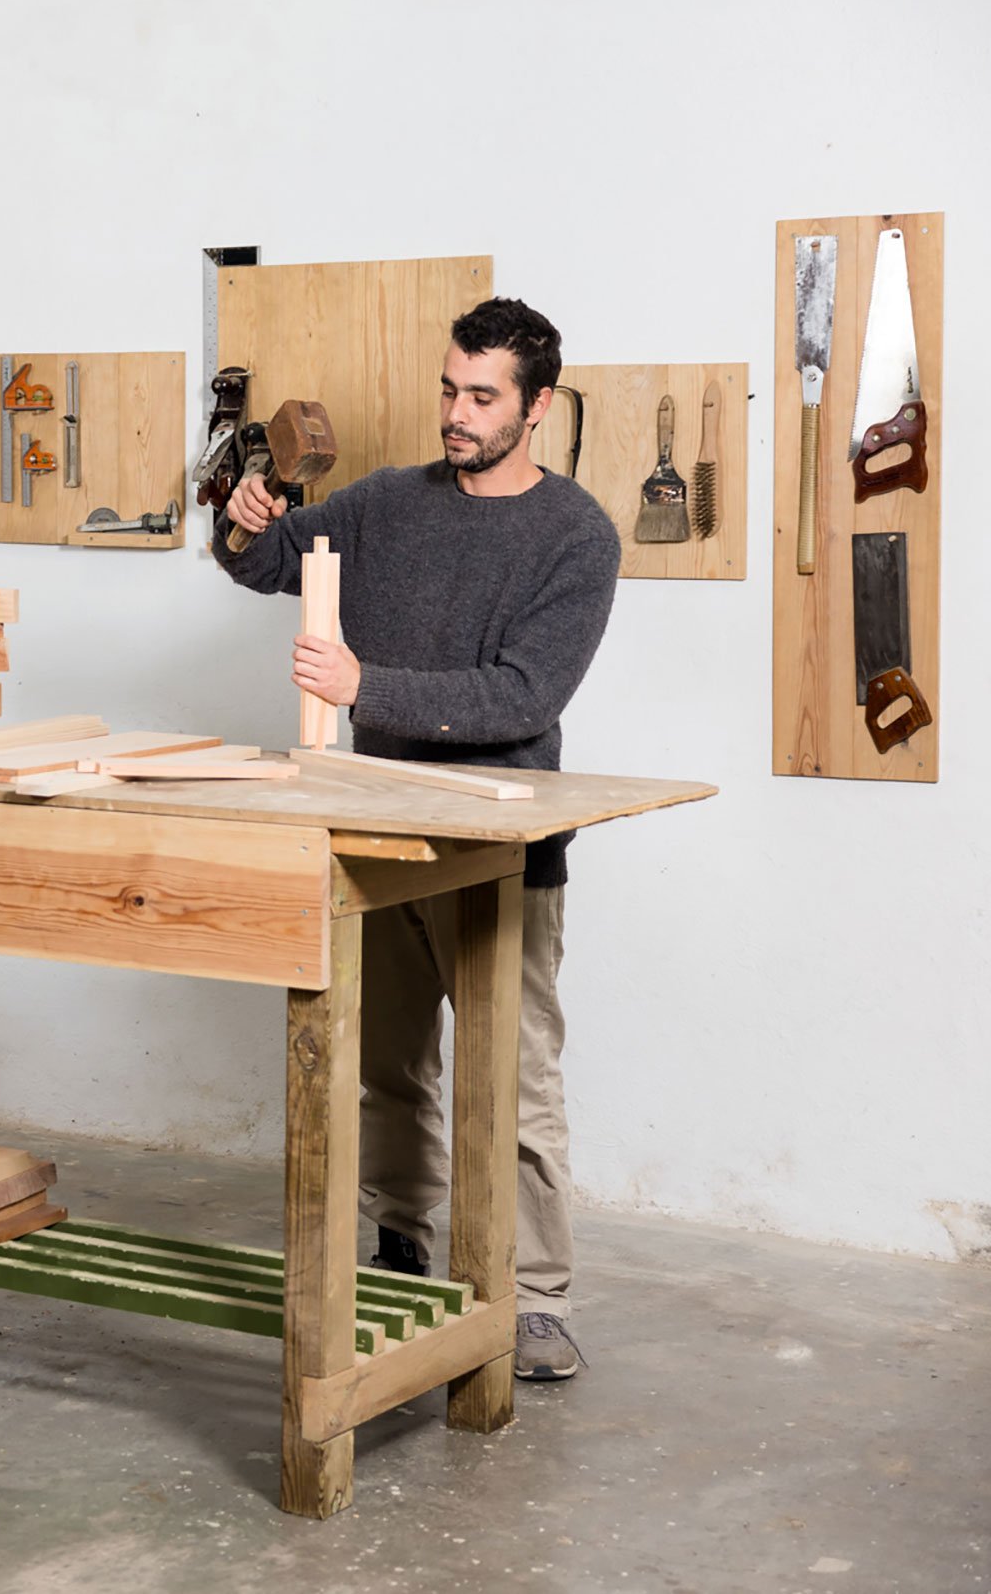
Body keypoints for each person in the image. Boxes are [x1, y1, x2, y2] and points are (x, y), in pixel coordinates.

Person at [213, 297, 620, 1381]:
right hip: (378, 828)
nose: (456, 412)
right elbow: (261, 565)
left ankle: (532, 1298)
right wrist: (247, 515)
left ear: (535, 407)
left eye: (482, 396)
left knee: (515, 1083)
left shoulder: (575, 535)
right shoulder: (389, 504)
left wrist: (361, 682)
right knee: (389, 1065)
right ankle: (400, 1245)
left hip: (502, 847)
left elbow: (521, 696)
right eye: (449, 388)